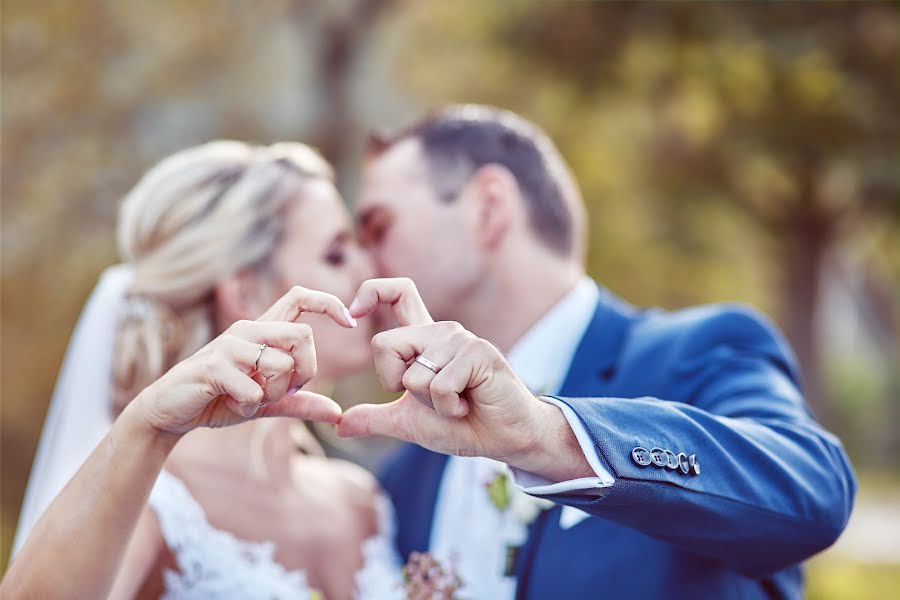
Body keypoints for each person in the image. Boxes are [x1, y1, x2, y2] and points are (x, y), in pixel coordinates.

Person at [339, 104, 858, 599]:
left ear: (488, 209)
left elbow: (812, 494)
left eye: (379, 228)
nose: (364, 266)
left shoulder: (701, 351)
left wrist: (547, 438)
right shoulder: (404, 475)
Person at [8, 141, 408, 599]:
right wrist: (149, 428)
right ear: (248, 293)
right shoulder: (152, 502)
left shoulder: (362, 503)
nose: (370, 269)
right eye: (336, 255)